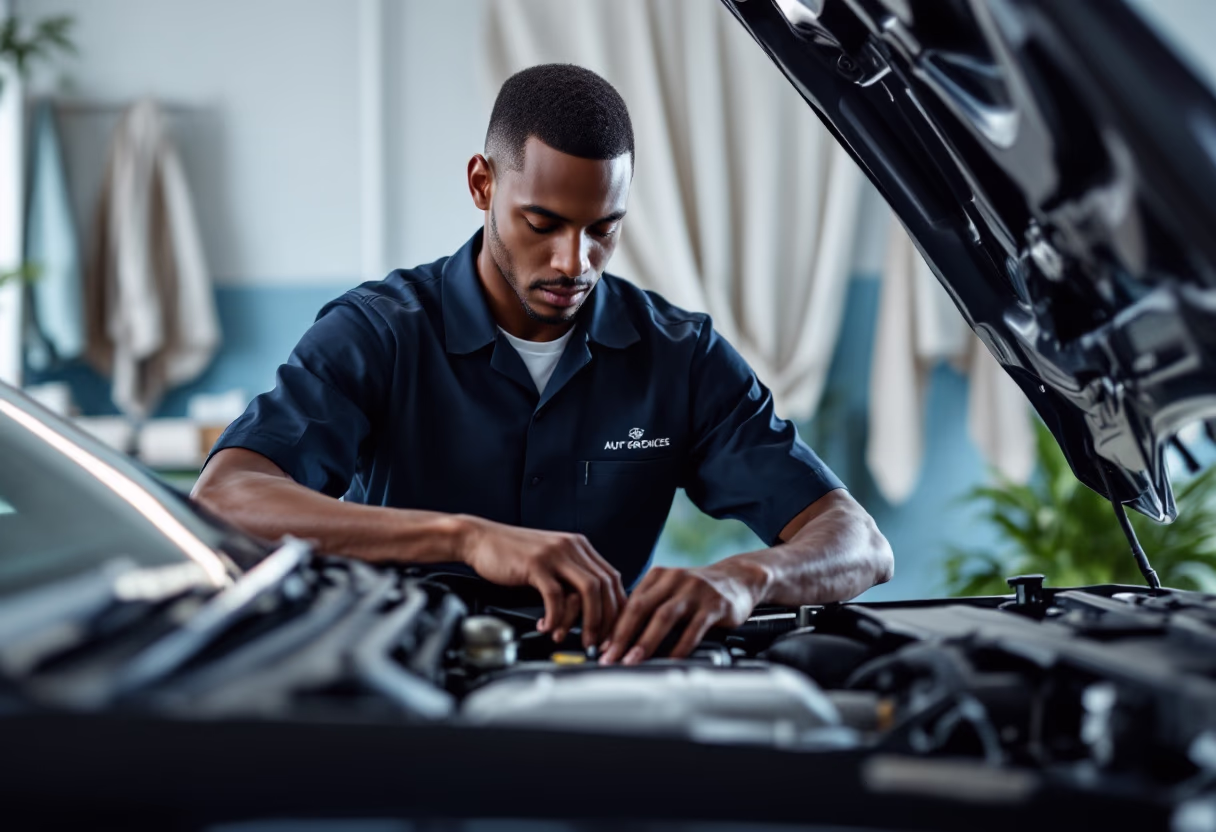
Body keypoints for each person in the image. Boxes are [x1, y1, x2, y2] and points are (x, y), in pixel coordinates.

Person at [192, 64, 893, 666]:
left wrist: (746, 578)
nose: (574, 261)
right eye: (543, 224)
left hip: (599, 701)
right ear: (481, 184)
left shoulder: (680, 357)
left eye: (603, 229)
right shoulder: (378, 333)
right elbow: (226, 497)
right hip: (403, 694)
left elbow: (858, 541)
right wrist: (463, 537)